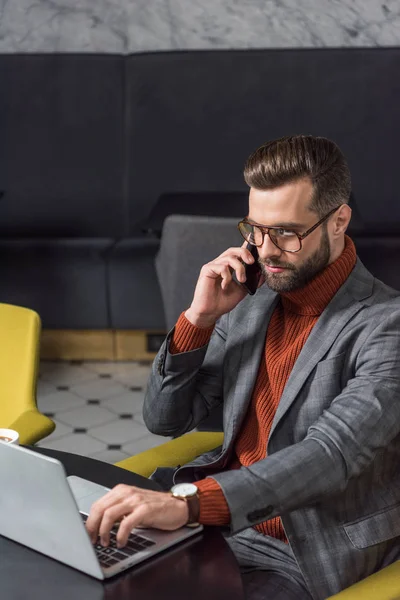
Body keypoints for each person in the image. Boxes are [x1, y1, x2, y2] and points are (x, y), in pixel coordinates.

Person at [86, 135, 400, 600]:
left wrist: (192, 504)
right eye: (254, 229)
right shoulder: (251, 300)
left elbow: (330, 455)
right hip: (211, 524)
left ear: (339, 221)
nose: (266, 250)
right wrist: (199, 319)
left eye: (287, 233)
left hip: (299, 548)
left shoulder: (387, 325)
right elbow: (165, 419)